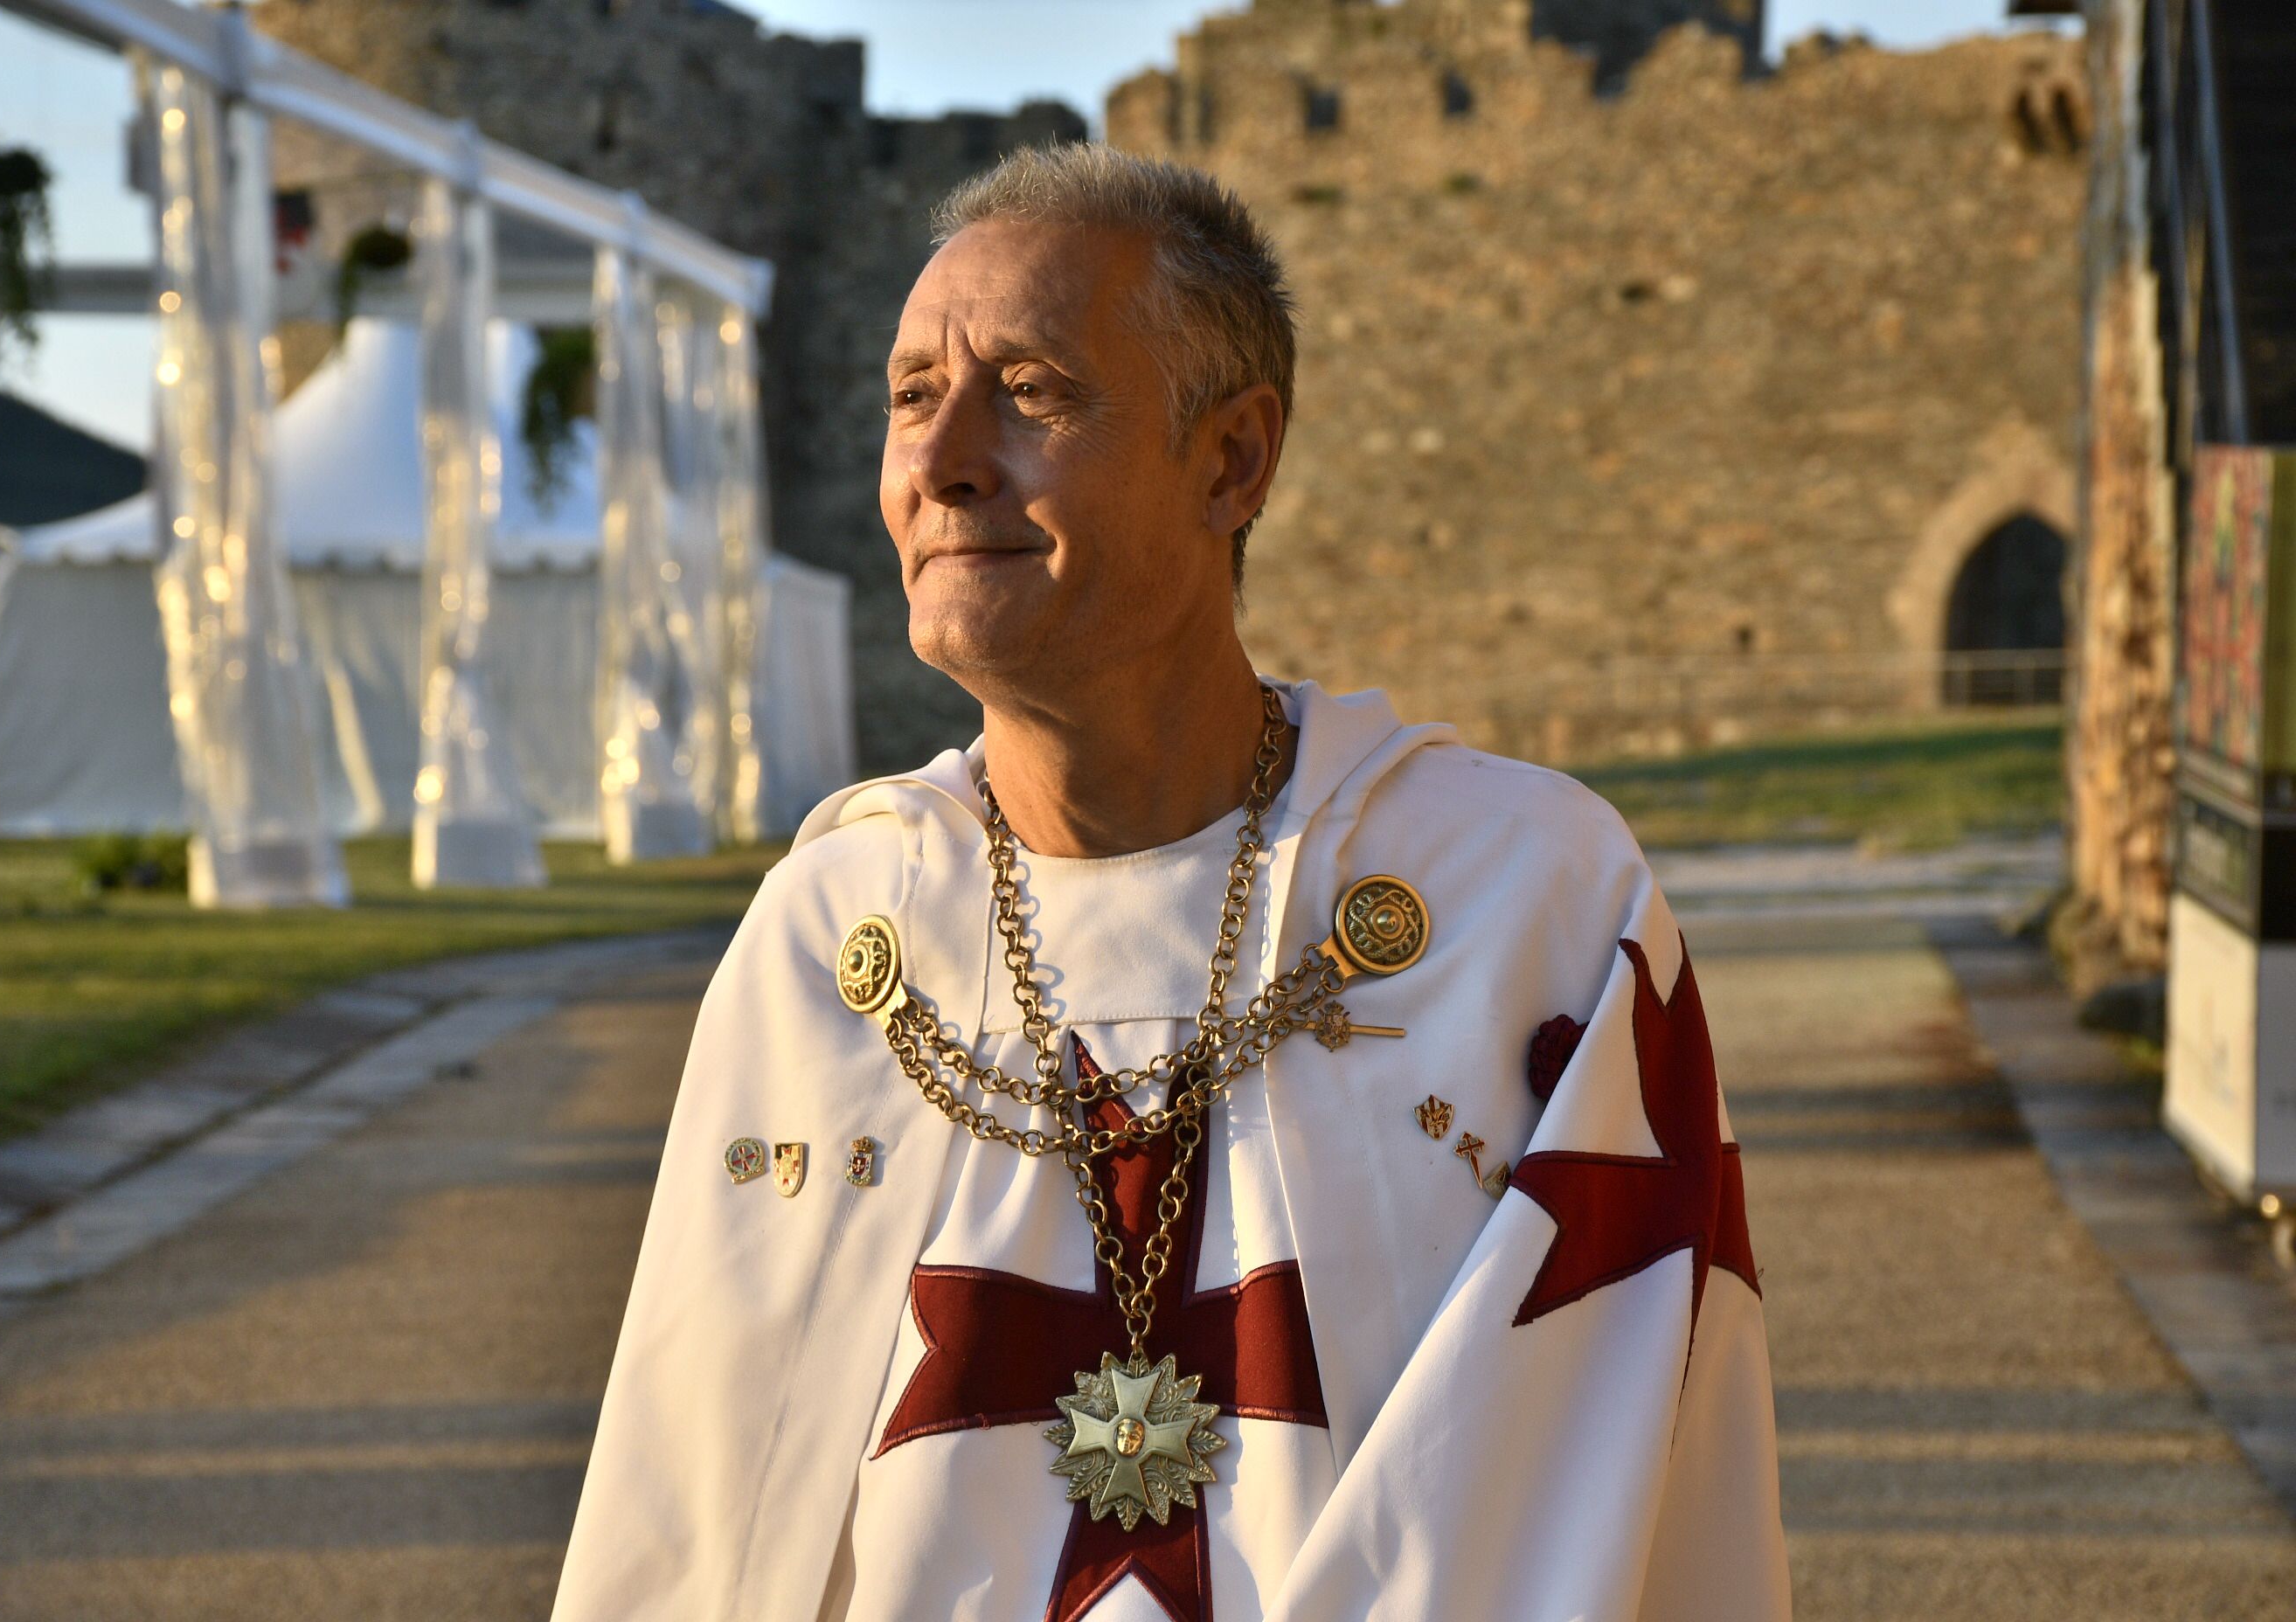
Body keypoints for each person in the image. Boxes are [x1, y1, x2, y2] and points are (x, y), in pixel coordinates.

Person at [552, 142, 1791, 1622]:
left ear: (1232, 460)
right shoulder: (830, 938)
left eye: (1030, 393)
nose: (942, 461)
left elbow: (1593, 1487)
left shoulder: (1530, 905)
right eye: (909, 397)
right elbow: (698, 1511)